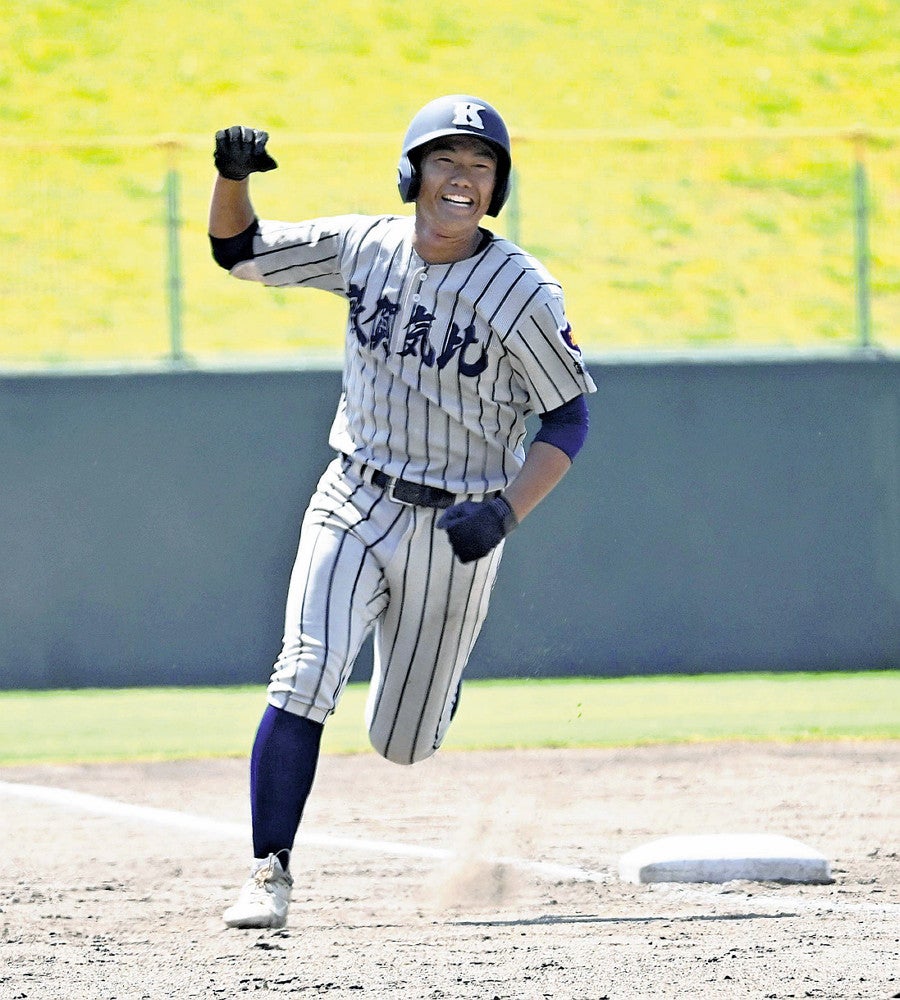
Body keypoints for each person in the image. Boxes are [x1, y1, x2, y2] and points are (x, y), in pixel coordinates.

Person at [208, 95, 597, 929]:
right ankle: (267, 871)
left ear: (497, 190)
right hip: (352, 493)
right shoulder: (364, 246)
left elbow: (568, 418)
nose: (462, 178)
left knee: (403, 743)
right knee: (306, 670)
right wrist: (231, 179)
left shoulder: (522, 291)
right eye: (446, 160)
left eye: (481, 166)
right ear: (412, 172)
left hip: (458, 529)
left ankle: (431, 687)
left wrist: (504, 513)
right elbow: (236, 251)